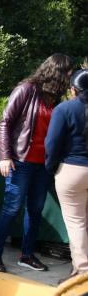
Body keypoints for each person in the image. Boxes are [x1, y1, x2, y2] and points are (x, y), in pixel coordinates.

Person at [0, 53, 73, 273]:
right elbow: (5, 122)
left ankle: (27, 254)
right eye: (68, 73)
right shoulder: (27, 89)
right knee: (12, 208)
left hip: (43, 165)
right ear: (58, 72)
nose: (70, 77)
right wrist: (5, 156)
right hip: (20, 161)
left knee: (35, 211)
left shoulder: (56, 98)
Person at [45, 69, 88, 279]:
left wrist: (51, 167)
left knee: (76, 222)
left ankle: (82, 273)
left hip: (72, 170)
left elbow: (51, 144)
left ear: (73, 90)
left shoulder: (65, 109)